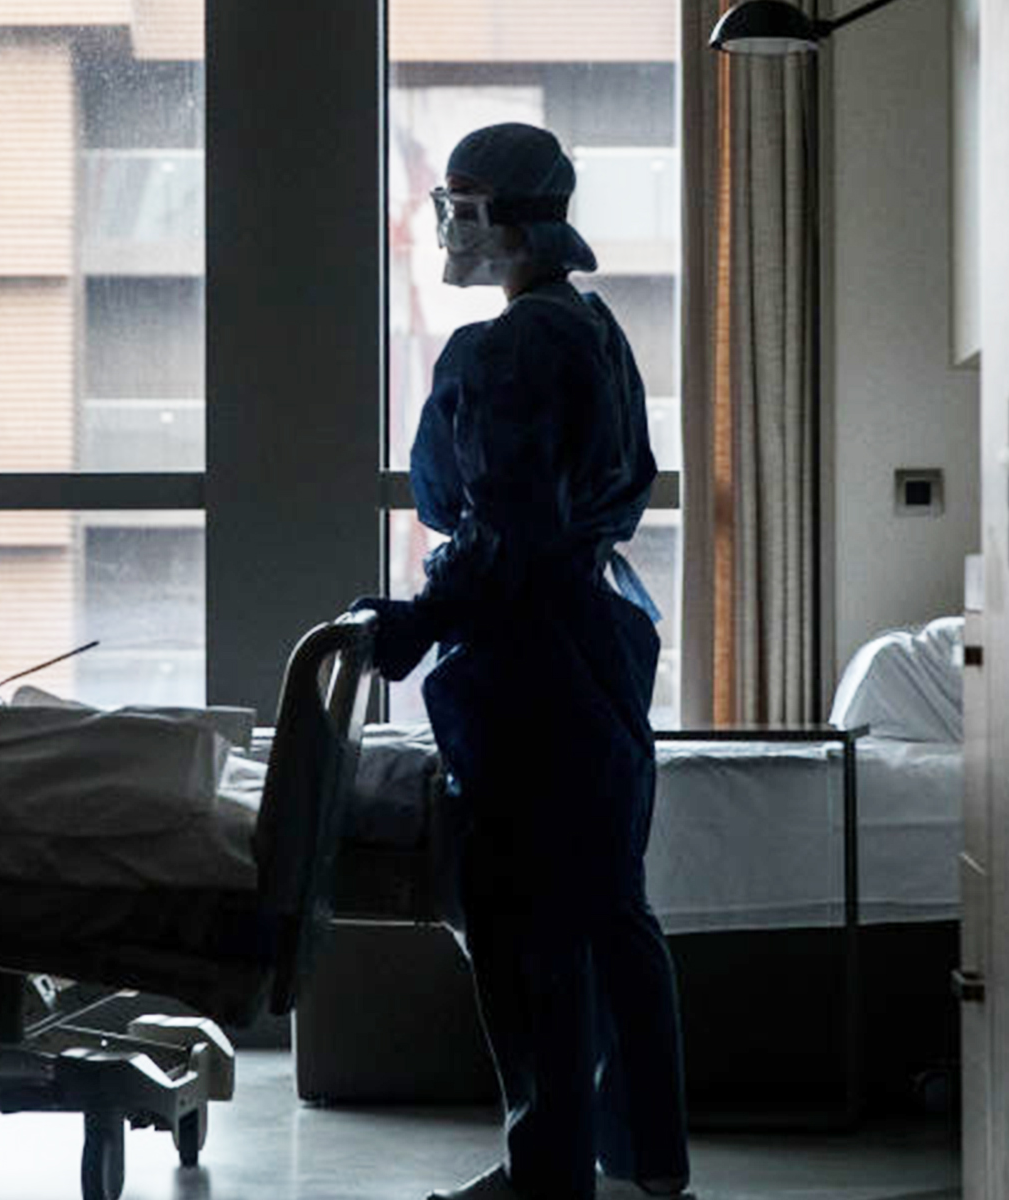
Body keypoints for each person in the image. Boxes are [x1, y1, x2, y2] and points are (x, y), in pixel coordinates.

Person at [352, 122, 691, 1200]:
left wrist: (414, 622)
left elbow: (502, 530)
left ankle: (547, 1176)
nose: (443, 230)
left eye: (456, 208)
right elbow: (583, 507)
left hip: (529, 665)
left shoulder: (504, 351)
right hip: (597, 639)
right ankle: (649, 1170)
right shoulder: (593, 329)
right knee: (610, 911)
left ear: (501, 219)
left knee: (526, 927)